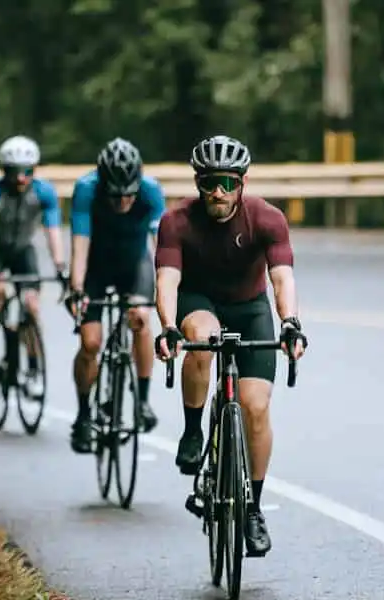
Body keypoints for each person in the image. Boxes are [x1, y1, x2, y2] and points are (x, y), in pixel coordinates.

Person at [152, 134, 308, 558]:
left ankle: (253, 509)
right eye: (208, 183)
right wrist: (168, 327)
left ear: (242, 182)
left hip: (249, 306)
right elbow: (167, 280)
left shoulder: (267, 218)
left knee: (256, 407)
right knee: (202, 338)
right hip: (199, 302)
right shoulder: (177, 221)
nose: (217, 192)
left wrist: (290, 322)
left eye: (226, 182)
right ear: (197, 183)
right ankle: (191, 431)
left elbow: (282, 277)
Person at [64, 138, 165, 454]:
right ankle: (83, 415)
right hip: (95, 266)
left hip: (134, 264)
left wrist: (169, 287)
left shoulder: (151, 191)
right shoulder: (86, 190)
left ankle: (143, 401)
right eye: (115, 196)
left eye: (128, 196)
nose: (122, 203)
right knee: (90, 342)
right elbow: (79, 245)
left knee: (140, 318)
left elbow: (161, 247)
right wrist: (77, 289)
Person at [0, 135, 66, 396]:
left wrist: (61, 265)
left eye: (27, 172)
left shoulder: (44, 192)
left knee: (32, 305)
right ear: (5, 171)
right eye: (15, 172)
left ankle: (34, 368)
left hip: (23, 250)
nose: (21, 178)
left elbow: (53, 231)